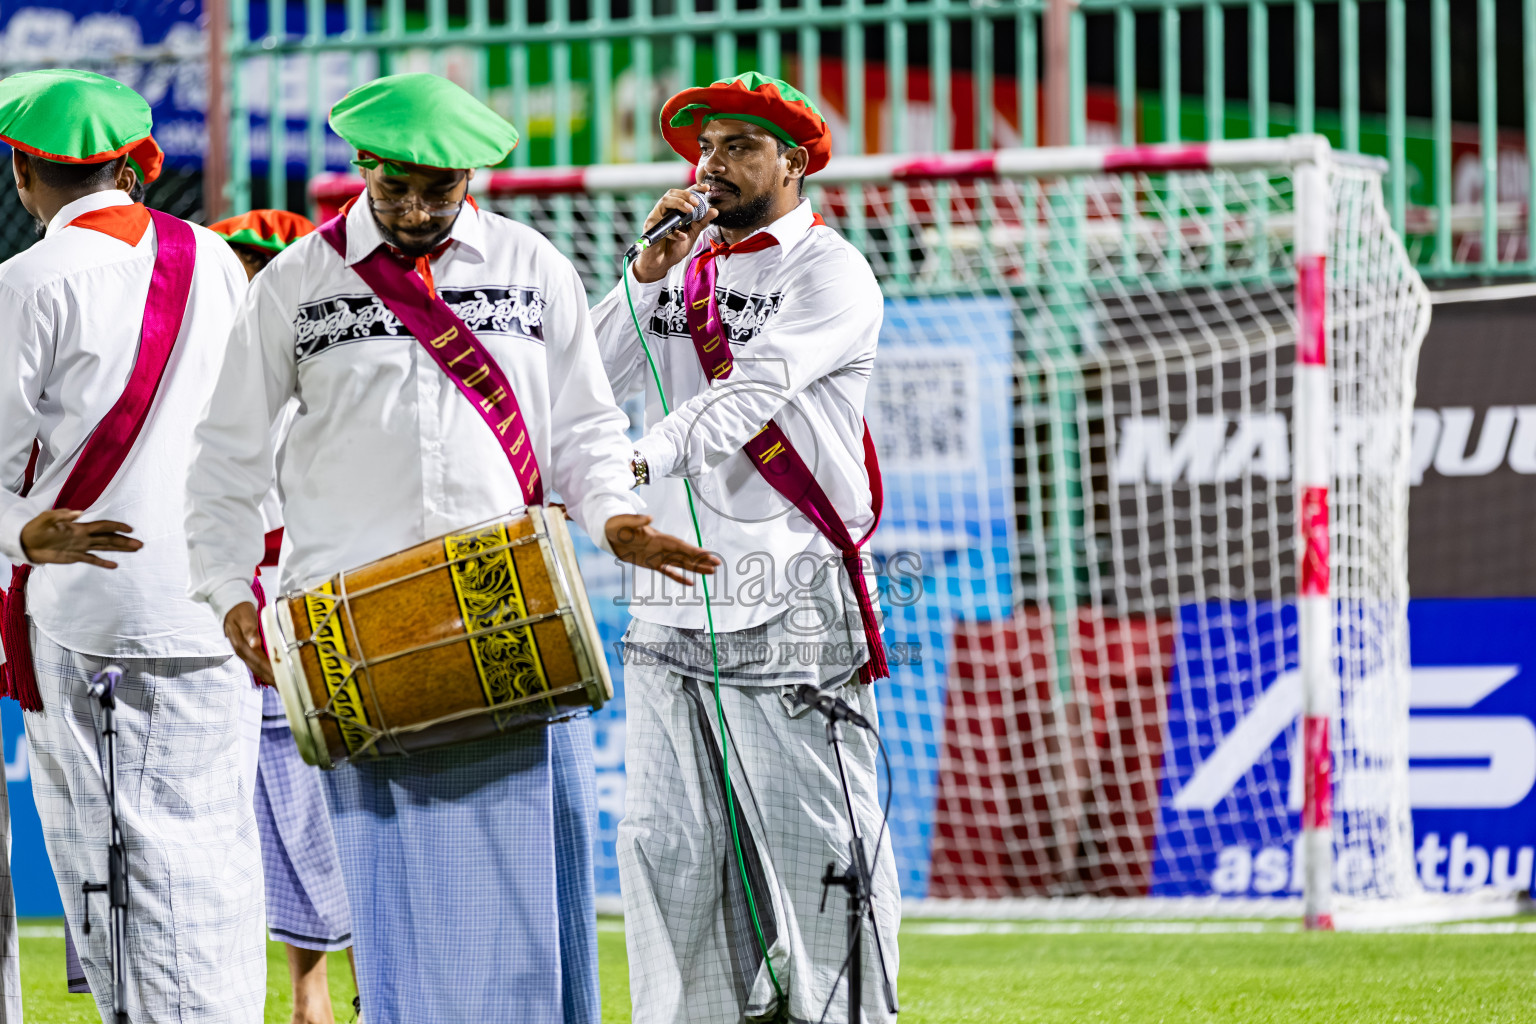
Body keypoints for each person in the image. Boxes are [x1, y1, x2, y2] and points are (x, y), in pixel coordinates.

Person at [183, 72, 716, 1024]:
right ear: (363, 168)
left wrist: (612, 515)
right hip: (356, 631)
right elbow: (226, 455)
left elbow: (586, 429)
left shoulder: (532, 265)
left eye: (442, 189)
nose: (417, 210)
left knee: (530, 895)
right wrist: (228, 586)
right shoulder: (294, 283)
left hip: (509, 611)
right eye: (396, 188)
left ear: (473, 177)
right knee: (392, 904)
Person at [590, 71, 901, 1023]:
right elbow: (587, 377)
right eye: (706, 147)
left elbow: (748, 396)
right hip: (667, 599)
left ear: (793, 162)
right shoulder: (680, 269)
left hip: (790, 589)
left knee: (819, 843)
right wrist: (644, 276)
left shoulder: (831, 271)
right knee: (666, 849)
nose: (711, 164)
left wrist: (629, 468)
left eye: (739, 147)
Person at [0, 68, 264, 1022]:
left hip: (94, 612)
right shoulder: (217, 258)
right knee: (217, 853)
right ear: (129, 168)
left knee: (115, 870)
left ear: (23, 175)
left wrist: (17, 531)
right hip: (217, 600)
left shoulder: (27, 283)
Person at [209, 208, 362, 1024]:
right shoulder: (207, 366)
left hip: (322, 600)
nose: (246, 282)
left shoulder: (332, 360)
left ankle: (376, 978)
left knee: (341, 801)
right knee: (271, 813)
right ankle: (309, 994)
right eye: (237, 266)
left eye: (259, 268)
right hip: (236, 604)